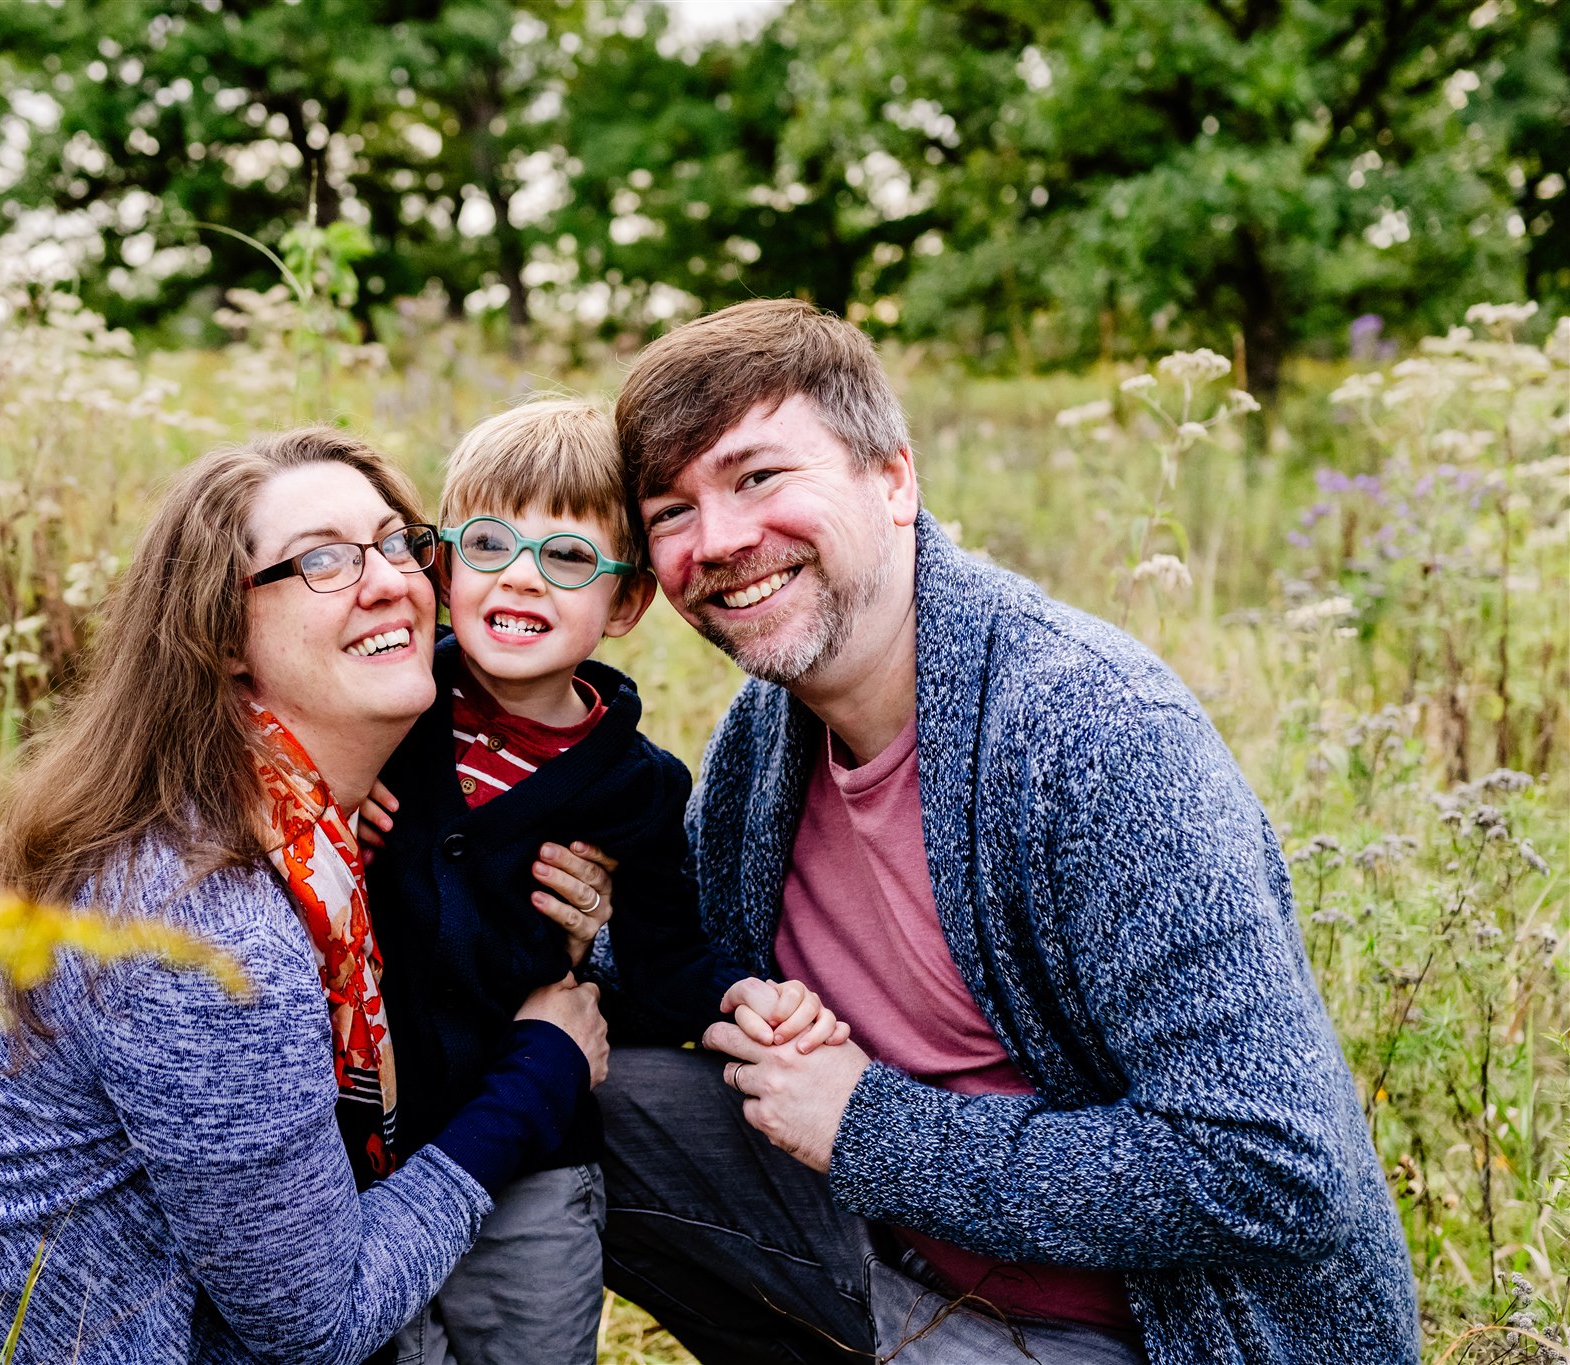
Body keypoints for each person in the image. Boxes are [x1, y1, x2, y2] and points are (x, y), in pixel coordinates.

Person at [597, 299, 1418, 1363]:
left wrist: (867, 1131)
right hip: (894, 1269)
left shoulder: (1092, 735)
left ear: (892, 478)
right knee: (560, 1091)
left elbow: (1269, 1163)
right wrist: (555, 918)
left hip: (1155, 1339)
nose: (717, 541)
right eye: (670, 511)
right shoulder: (767, 736)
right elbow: (679, 960)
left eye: (758, 478)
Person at [0, 430, 616, 1364]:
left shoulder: (297, 830)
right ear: (225, 637)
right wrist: (540, 1073)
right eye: (322, 560)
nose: (388, 578)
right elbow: (316, 1324)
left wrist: (586, 917)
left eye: (399, 541)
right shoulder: (207, 920)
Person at [355, 399, 847, 1365]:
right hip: (366, 1148)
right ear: (445, 569)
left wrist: (729, 1000)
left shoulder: (637, 786)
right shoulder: (384, 710)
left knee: (530, 1341)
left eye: (569, 557)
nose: (522, 577)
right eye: (490, 542)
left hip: (534, 1152)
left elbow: (664, 955)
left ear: (624, 604)